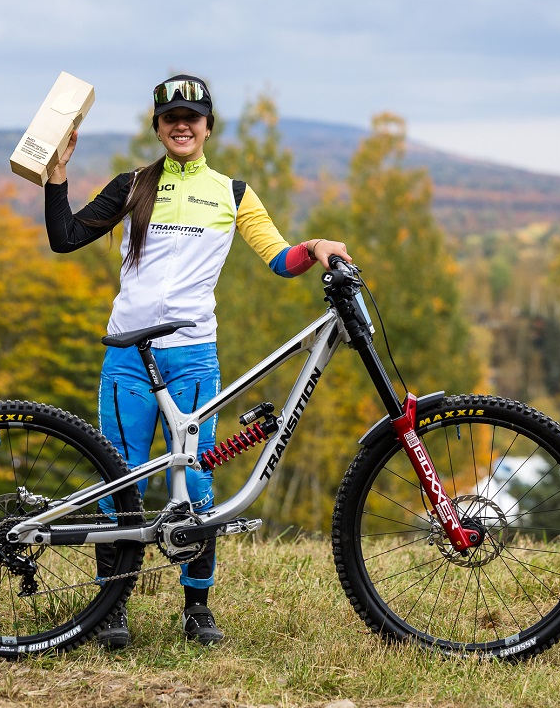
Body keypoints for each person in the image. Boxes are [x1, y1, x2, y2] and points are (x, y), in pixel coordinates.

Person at [44, 74, 351, 649]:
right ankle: (112, 610)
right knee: (120, 487)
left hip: (191, 360)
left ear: (209, 126)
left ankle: (197, 609)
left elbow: (280, 260)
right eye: (170, 117)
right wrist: (56, 172)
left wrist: (316, 249)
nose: (181, 125)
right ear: (157, 127)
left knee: (196, 486)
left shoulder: (233, 194)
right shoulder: (133, 186)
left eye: (193, 116)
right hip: (128, 358)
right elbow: (64, 237)